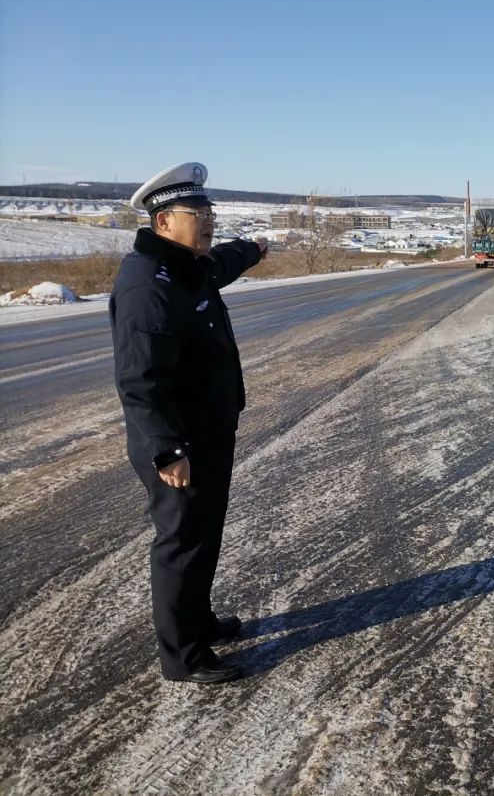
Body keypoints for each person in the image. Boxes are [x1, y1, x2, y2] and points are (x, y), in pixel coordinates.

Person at [110, 162, 267, 684]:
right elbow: (139, 379)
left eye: (209, 210)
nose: (207, 219)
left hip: (208, 431)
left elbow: (220, 264)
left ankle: (197, 622)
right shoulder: (146, 287)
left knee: (204, 534)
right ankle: (184, 656)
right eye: (195, 212)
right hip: (180, 442)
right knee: (181, 543)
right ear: (162, 223)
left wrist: (254, 249)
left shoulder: (184, 265)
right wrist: (166, 449)